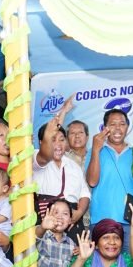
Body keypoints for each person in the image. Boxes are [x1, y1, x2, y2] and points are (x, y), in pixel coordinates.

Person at [85, 108, 133, 248]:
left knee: (131, 261)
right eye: (112, 124)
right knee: (100, 262)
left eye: (122, 124)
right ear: (105, 128)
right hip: (101, 221)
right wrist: (96, 150)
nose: (118, 128)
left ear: (127, 127)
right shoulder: (95, 151)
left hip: (131, 222)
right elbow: (92, 181)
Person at [34, 100, 90, 240]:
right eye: (53, 140)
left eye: (61, 139)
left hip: (73, 222)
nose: (58, 144)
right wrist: (62, 113)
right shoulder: (37, 158)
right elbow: (45, 155)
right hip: (46, 219)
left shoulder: (73, 166)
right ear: (41, 142)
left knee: (75, 252)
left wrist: (79, 212)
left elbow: (85, 193)